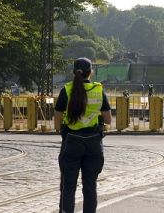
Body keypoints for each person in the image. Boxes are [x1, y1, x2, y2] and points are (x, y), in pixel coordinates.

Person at [54, 57, 112, 213]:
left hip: (72, 141)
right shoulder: (99, 90)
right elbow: (108, 120)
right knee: (90, 186)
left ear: (74, 72)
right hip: (93, 144)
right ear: (90, 72)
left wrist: (63, 130)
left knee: (68, 186)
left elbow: (57, 120)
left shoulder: (66, 90)